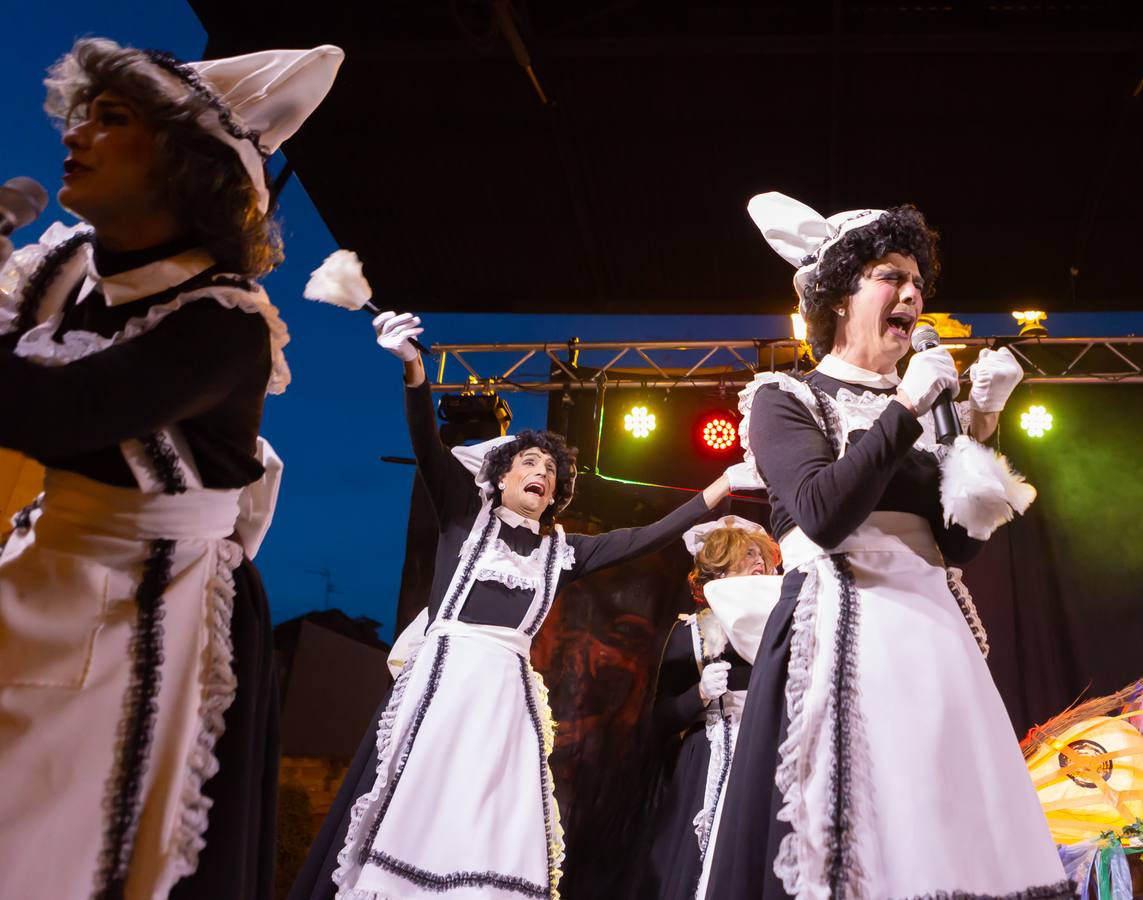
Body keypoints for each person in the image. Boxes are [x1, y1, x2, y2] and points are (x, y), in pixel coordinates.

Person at [0, 38, 341, 899]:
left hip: (155, 610)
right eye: (85, 113)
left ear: (187, 168)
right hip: (41, 578)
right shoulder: (64, 269)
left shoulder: (224, 323)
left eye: (113, 120)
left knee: (91, 845)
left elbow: (58, 413)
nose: (78, 134)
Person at [294, 309, 742, 900]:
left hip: (505, 697)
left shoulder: (564, 551)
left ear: (557, 493)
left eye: (551, 469)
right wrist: (412, 368)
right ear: (500, 477)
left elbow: (643, 538)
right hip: (444, 684)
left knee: (489, 816)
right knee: (412, 804)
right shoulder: (463, 518)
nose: (541, 471)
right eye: (529, 462)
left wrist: (720, 487)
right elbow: (427, 444)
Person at [704, 192, 1071, 899]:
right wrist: (904, 410)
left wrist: (981, 428)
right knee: (857, 822)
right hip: (842, 627)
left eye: (918, 283)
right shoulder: (787, 398)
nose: (912, 294)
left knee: (943, 823)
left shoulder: (928, 411)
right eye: (890, 276)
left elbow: (958, 546)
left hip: (931, 635)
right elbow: (821, 514)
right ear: (840, 295)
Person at [648, 516, 782, 899]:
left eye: (762, 554)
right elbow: (658, 719)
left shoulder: (792, 625)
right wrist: (699, 695)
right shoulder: (689, 634)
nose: (759, 561)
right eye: (746, 555)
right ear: (720, 572)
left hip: (771, 750)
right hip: (707, 761)